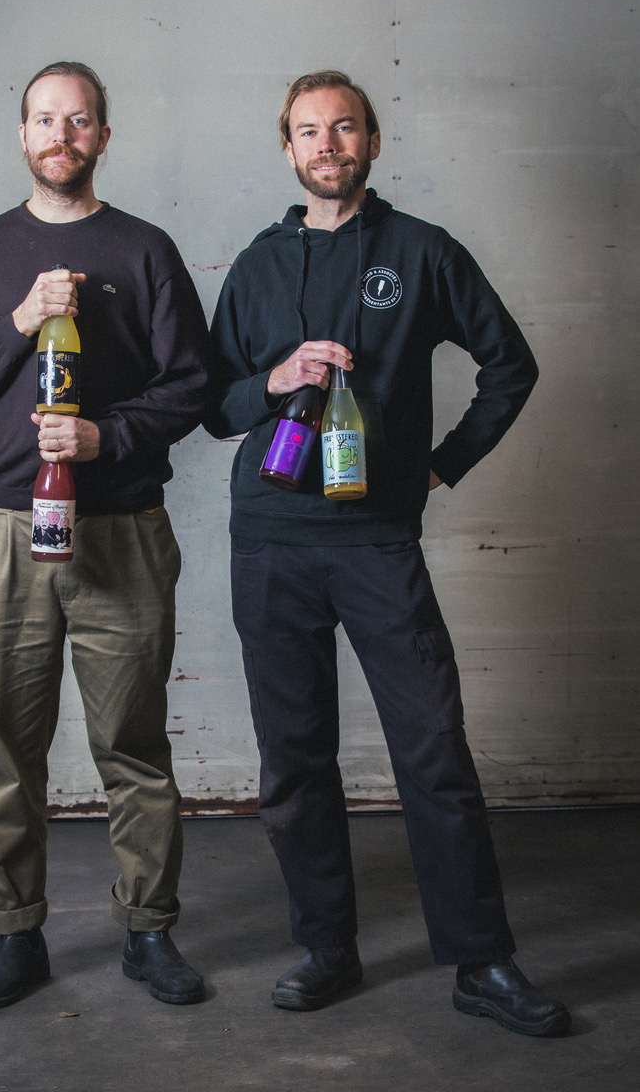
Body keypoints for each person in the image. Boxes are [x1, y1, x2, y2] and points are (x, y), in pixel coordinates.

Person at [205, 70, 570, 1036]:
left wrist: (441, 468)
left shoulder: (421, 253)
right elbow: (212, 405)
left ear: (373, 140)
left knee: (433, 752)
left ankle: (481, 962)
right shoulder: (254, 265)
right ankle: (327, 946)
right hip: (272, 541)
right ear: (288, 149)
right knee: (293, 759)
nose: (327, 144)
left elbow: (510, 365)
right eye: (308, 131)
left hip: (376, 542)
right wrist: (274, 377)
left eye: (345, 128)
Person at [0, 60, 210, 1009]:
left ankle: (148, 930)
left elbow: (192, 388)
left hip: (121, 525)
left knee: (133, 743)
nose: (61, 135)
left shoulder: (145, 250)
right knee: (11, 746)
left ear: (103, 136)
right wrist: (21, 318)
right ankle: (16, 933)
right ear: (23, 136)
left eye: (79, 119)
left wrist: (104, 435)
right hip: (7, 529)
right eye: (44, 119)